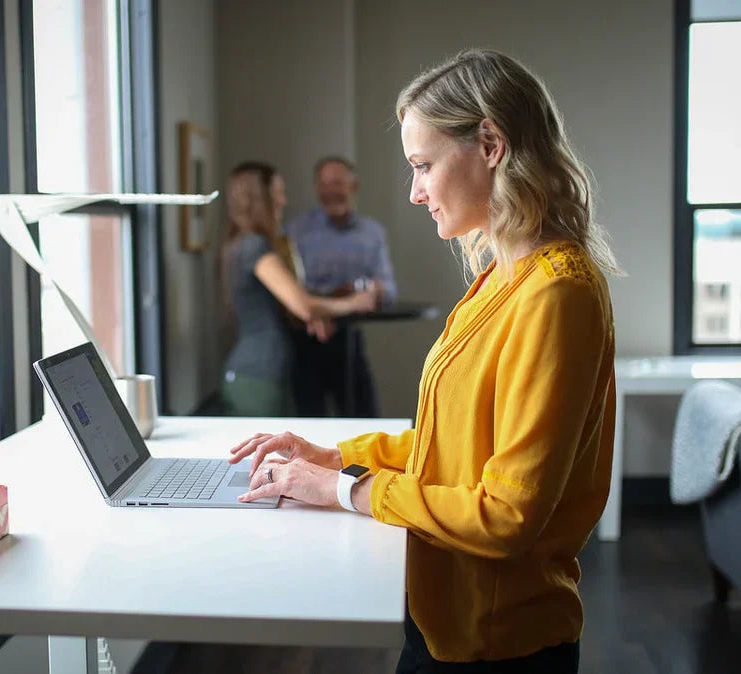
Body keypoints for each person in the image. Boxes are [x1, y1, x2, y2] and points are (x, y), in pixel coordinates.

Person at [228, 49, 622, 672]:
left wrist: (344, 490)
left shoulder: (557, 294)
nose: (414, 192)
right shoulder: (502, 276)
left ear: (490, 143)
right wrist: (339, 457)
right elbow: (456, 448)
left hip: (498, 645)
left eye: (423, 166)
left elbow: (506, 514)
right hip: (443, 618)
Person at [219, 161, 376, 417]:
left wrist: (313, 315)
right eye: (278, 193)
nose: (283, 201)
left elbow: (291, 306)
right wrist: (355, 303)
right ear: (262, 198)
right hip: (258, 375)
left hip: (256, 373)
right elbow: (302, 304)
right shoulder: (255, 247)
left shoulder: (242, 243)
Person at [284, 156, 398, 418]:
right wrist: (337, 301)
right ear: (316, 189)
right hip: (305, 342)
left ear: (353, 186)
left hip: (349, 342)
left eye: (338, 183)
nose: (331, 191)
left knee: (364, 421)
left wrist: (370, 291)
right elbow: (292, 292)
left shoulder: (372, 232)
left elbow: (389, 290)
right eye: (324, 184)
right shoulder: (295, 231)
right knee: (309, 426)